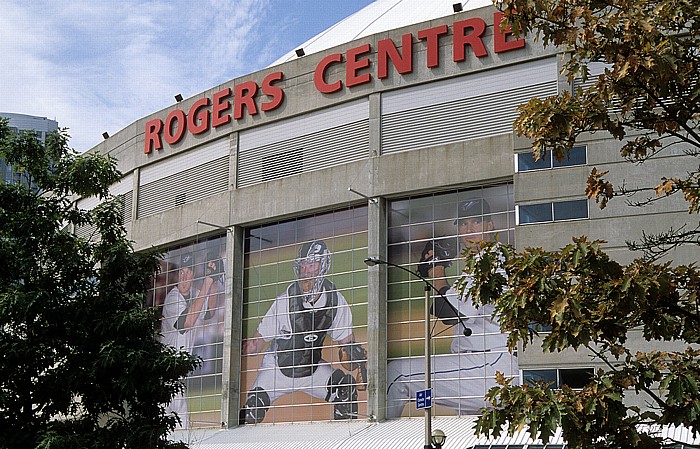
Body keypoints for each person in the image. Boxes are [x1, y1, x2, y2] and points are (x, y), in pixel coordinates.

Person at [385, 199, 519, 418]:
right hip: (484, 368)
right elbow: (442, 306)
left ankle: (379, 440)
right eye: (464, 224)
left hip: (489, 366)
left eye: (476, 222)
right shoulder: (483, 262)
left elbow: (450, 313)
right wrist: (436, 273)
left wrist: (436, 271)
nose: (469, 229)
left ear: (490, 226)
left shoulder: (489, 261)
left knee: (397, 374)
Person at [240, 240, 367, 424]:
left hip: (311, 369)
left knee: (345, 390)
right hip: (277, 369)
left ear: (323, 266)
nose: (306, 272)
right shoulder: (285, 302)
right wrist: (237, 347)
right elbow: (255, 345)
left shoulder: (335, 301)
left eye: (312, 265)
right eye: (303, 266)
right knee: (250, 413)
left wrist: (360, 364)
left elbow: (347, 344)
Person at [160, 252, 218, 428]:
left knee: (182, 431)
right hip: (164, 376)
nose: (184, 277)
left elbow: (210, 311)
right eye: (181, 273)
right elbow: (186, 322)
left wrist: (214, 280)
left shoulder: (194, 293)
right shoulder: (172, 298)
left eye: (188, 272)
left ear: (193, 274)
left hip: (177, 378)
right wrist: (207, 283)